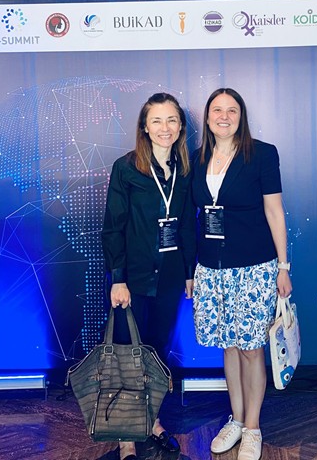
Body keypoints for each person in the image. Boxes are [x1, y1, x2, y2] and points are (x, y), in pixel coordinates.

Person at [192, 88, 292, 460]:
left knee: (251, 350)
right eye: (217, 110)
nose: (224, 116)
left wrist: (283, 266)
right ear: (207, 118)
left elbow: (275, 212)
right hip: (212, 269)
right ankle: (235, 419)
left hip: (254, 269)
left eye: (232, 110)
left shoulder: (262, 154)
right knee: (229, 347)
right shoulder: (196, 159)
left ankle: (252, 427)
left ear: (241, 116)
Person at [101, 92, 195, 460]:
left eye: (172, 120)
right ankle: (126, 437)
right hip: (133, 281)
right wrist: (118, 277)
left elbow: (186, 225)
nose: (164, 127)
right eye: (157, 120)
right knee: (128, 357)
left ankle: (151, 421)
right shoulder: (125, 168)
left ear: (180, 127)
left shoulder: (184, 171)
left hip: (169, 279)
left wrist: (188, 273)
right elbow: (113, 226)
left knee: (157, 355)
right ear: (144, 126)